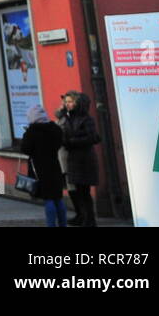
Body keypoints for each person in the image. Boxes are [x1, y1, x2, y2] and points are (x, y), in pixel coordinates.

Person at [21, 103, 68, 227]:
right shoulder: (55, 129)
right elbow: (59, 143)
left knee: (48, 199)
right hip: (55, 165)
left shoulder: (32, 131)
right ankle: (63, 224)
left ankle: (51, 224)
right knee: (58, 197)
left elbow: (25, 149)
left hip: (39, 168)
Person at [58, 90, 100, 227]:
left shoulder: (86, 119)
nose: (67, 104)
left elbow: (93, 137)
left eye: (70, 102)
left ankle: (90, 220)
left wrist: (71, 141)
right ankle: (83, 217)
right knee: (79, 191)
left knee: (84, 192)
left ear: (77, 103)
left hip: (84, 159)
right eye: (66, 102)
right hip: (73, 158)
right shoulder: (69, 118)